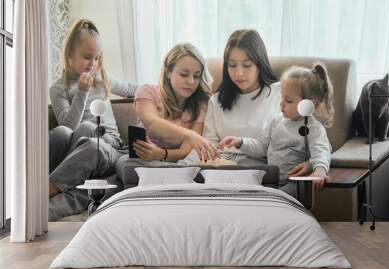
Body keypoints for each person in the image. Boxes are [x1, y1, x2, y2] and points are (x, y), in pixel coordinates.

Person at [48, 19, 138, 221]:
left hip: (108, 146)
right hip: (79, 149)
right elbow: (68, 126)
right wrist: (81, 92)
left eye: (97, 58)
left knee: (89, 129)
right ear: (70, 55)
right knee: (65, 131)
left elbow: (131, 89)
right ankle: (62, 183)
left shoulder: (102, 77)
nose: (93, 64)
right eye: (87, 57)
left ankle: (47, 188)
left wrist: (160, 90)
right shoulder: (58, 88)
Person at [219, 63, 334, 194]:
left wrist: (319, 171)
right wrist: (240, 142)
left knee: (276, 197)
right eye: (282, 97)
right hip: (272, 179)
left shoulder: (314, 128)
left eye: (289, 100)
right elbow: (261, 147)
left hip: (295, 182)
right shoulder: (276, 121)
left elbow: (322, 151)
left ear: (309, 104)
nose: (282, 103)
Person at [180, 29, 284, 167]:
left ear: (260, 64)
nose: (239, 73)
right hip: (221, 167)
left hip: (259, 169)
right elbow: (208, 146)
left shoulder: (280, 93)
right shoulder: (216, 100)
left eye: (247, 65)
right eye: (232, 65)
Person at [117, 42, 217, 169]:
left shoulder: (201, 104)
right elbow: (152, 123)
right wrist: (191, 135)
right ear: (169, 72)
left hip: (175, 162)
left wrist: (161, 154)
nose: (191, 82)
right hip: (143, 160)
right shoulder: (146, 91)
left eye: (196, 76)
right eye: (184, 74)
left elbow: (185, 151)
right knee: (127, 164)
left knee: (189, 166)